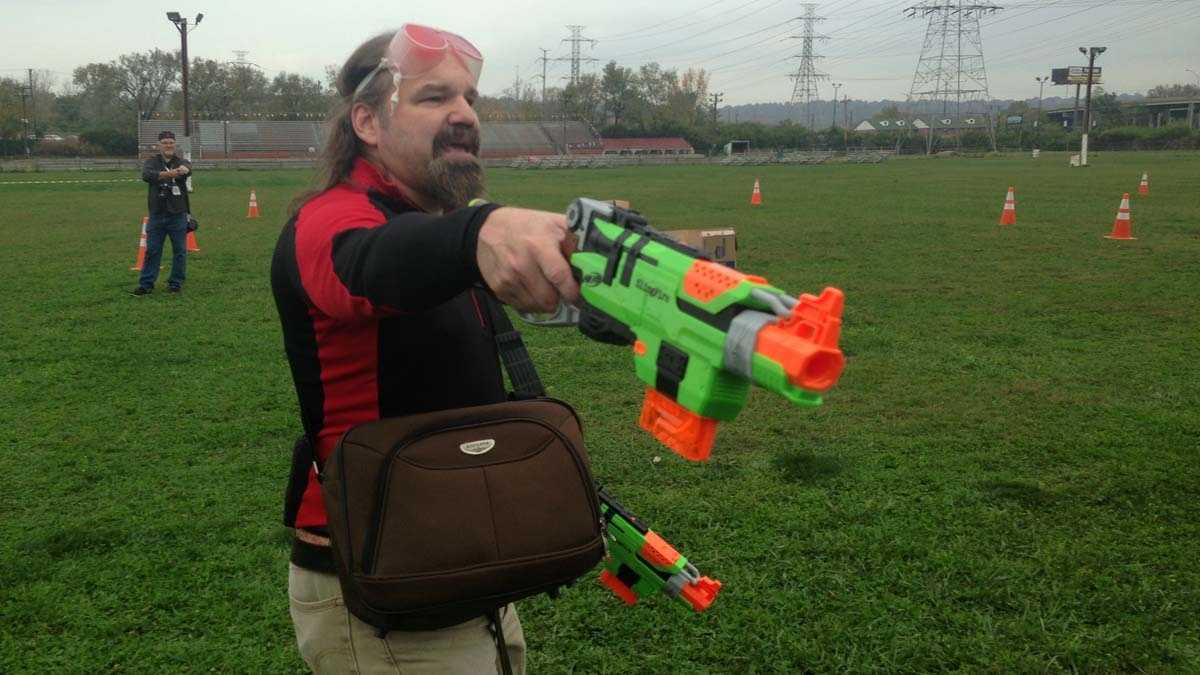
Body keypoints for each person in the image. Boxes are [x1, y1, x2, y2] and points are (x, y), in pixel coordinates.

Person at [270, 25, 579, 674]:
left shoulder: (437, 227)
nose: (466, 115)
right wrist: (478, 231)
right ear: (368, 121)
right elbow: (371, 266)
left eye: (470, 98)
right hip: (382, 587)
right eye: (435, 97)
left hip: (467, 558)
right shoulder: (331, 218)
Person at [133, 130, 192, 295]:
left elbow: (188, 168)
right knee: (152, 250)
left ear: (175, 144)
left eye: (171, 142)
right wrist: (167, 174)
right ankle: (146, 284)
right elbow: (147, 175)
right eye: (165, 142)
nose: (168, 145)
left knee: (180, 251)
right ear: (159, 145)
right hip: (157, 214)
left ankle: (176, 282)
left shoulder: (181, 161)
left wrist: (184, 170)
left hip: (178, 214)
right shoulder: (152, 162)